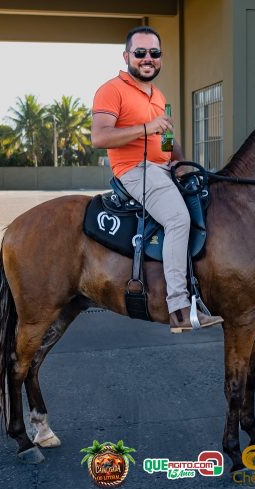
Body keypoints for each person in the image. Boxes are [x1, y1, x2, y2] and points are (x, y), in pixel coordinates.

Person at [91, 26, 224, 333]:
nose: (147, 58)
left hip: (162, 170)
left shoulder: (160, 95)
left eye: (154, 53)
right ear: (127, 56)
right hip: (134, 171)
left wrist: (179, 161)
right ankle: (178, 308)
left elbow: (166, 139)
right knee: (178, 219)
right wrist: (146, 128)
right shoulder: (111, 89)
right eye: (140, 53)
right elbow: (99, 136)